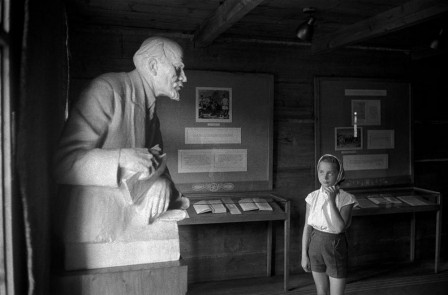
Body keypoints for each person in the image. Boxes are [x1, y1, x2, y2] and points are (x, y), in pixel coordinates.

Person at [54, 36, 190, 245]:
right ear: (153, 66)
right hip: (97, 233)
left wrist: (161, 182)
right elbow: (63, 163)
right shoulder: (107, 90)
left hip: (129, 224)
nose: (184, 78)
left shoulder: (151, 114)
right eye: (178, 68)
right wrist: (122, 158)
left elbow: (157, 164)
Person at [301, 154, 358, 295]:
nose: (325, 177)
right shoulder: (312, 197)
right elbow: (307, 227)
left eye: (330, 173)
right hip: (315, 246)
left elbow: (339, 228)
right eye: (321, 172)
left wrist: (331, 200)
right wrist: (304, 254)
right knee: (321, 292)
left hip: (335, 246)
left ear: (338, 175)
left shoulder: (346, 198)